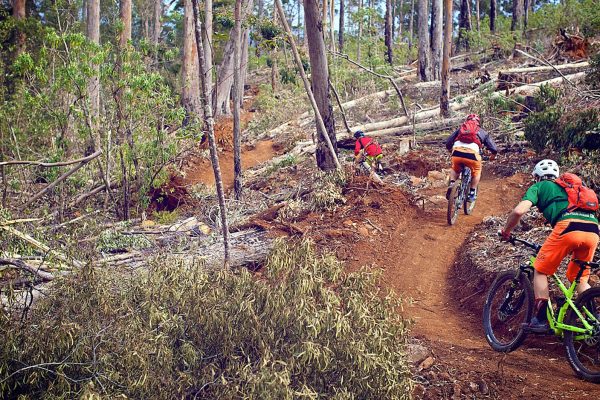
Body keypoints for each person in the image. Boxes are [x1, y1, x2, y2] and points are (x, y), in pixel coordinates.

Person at [499, 159, 600, 333]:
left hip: (568, 227)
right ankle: (594, 321)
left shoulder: (539, 186)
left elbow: (518, 211)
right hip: (593, 229)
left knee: (540, 269)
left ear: (536, 177)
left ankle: (540, 319)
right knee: (580, 278)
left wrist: (506, 232)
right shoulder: (571, 189)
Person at [445, 114, 498, 202]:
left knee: (455, 168)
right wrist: (493, 156)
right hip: (472, 155)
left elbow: (448, 143)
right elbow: (494, 148)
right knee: (477, 171)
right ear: (478, 123)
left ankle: (452, 183)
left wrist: (452, 151)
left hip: (457, 152)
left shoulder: (461, 129)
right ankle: (472, 192)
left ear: (467, 121)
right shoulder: (482, 132)